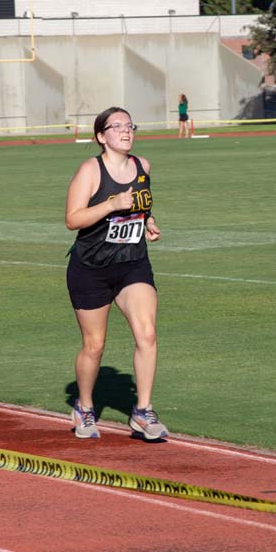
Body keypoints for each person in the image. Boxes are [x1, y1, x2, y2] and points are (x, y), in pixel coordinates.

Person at [64, 107, 166, 441]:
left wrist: (148, 222)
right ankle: (85, 406)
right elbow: (72, 219)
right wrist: (110, 204)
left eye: (130, 125)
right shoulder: (90, 170)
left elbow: (142, 206)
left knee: (147, 333)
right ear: (101, 136)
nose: (126, 131)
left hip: (132, 263)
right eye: (117, 126)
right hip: (91, 268)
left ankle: (142, 411)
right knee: (94, 345)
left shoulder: (143, 166)